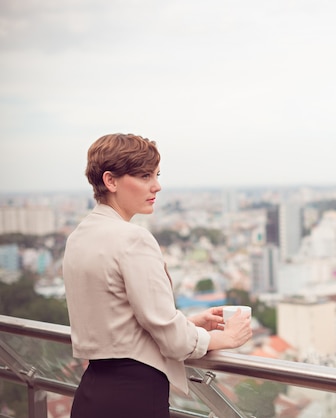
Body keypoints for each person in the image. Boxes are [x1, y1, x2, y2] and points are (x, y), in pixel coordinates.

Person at [62, 133, 252, 418]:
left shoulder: (79, 236)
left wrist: (186, 323)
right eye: (144, 176)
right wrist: (225, 339)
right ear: (110, 181)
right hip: (134, 397)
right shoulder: (133, 239)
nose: (157, 186)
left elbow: (118, 323)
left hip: (92, 392)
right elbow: (173, 340)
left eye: (156, 174)